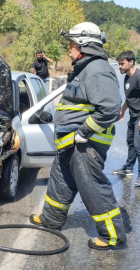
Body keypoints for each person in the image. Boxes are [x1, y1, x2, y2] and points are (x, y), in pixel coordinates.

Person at [29, 22, 127, 250]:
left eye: (72, 43)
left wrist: (84, 132)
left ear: (84, 44)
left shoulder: (97, 69)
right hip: (71, 143)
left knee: (92, 187)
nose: (69, 49)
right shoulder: (85, 69)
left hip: (85, 145)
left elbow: (111, 108)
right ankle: (51, 220)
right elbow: (75, 103)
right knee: (60, 180)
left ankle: (113, 236)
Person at [112, 51, 140, 187]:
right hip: (133, 116)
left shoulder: (139, 76)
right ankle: (128, 168)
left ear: (131, 62)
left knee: (139, 146)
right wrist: (122, 111)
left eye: (122, 64)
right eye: (119, 64)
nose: (120, 67)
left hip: (139, 117)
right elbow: (130, 98)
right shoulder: (127, 78)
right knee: (131, 143)